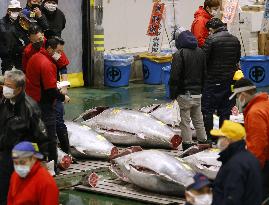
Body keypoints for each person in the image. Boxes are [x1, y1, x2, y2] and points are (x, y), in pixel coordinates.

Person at [0, 70, 48, 205]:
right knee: (3, 192)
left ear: (19, 88)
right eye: (5, 84)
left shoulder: (30, 108)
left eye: (9, 86)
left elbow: (41, 136)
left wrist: (43, 160)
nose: (5, 88)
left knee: (21, 195)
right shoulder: (5, 102)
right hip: (5, 155)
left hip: (22, 157)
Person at [23, 25, 71, 154]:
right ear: (29, 39)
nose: (38, 43)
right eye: (34, 41)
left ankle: (67, 153)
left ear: (43, 35)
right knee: (36, 126)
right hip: (37, 94)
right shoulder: (28, 51)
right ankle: (44, 156)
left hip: (53, 90)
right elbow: (26, 72)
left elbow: (63, 66)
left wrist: (64, 86)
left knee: (58, 121)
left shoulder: (53, 47)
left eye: (39, 40)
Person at [201, 18, 241, 142]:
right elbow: (237, 59)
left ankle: (209, 138)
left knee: (207, 109)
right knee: (225, 109)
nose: (209, 33)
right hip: (229, 80)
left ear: (212, 29)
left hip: (212, 80)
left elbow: (204, 60)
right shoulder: (235, 39)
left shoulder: (211, 40)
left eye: (209, 31)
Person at [230, 78, 269, 200]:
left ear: (243, 94)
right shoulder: (265, 103)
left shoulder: (255, 113)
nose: (237, 100)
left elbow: (257, 147)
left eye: (237, 96)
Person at [169, 30, 208, 151]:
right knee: (198, 118)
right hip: (197, 92)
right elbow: (204, 73)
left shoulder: (179, 54)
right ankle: (203, 140)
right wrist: (202, 89)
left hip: (185, 93)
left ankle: (188, 144)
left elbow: (175, 76)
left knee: (185, 121)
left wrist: (173, 94)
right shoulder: (201, 52)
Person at [211, 120, 262, 205]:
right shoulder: (248, 157)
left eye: (221, 137)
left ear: (228, 140)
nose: (218, 141)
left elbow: (232, 198)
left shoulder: (235, 165)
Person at [0, 0, 29, 74]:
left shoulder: (24, 22)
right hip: (7, 60)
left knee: (21, 83)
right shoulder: (1, 23)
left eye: (18, 10)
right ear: (8, 10)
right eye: (13, 10)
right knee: (8, 83)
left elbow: (27, 38)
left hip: (21, 59)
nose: (15, 12)